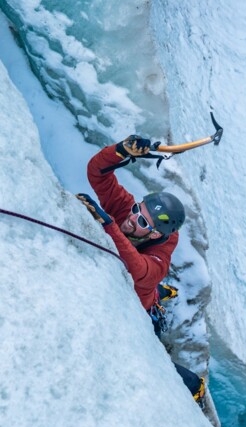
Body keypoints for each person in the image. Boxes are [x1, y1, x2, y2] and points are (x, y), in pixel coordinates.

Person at [77, 135, 204, 404]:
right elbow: (97, 173)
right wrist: (120, 151)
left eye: (143, 222)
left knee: (155, 360)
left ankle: (194, 385)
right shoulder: (126, 212)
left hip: (141, 310)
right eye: (137, 210)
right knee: (151, 288)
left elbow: (140, 271)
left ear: (156, 233)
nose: (132, 219)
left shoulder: (160, 256)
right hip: (146, 289)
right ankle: (162, 293)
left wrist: (108, 225)